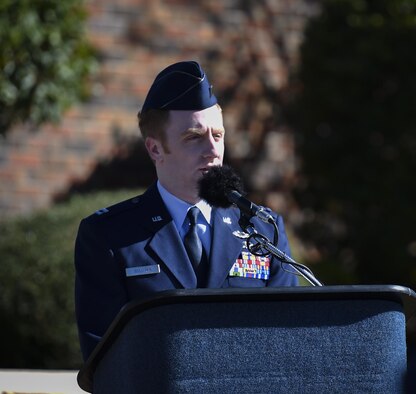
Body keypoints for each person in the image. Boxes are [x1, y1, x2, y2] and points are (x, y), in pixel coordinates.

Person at [74, 60, 298, 361]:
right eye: (194, 137)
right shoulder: (110, 236)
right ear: (155, 149)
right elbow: (104, 358)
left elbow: (290, 341)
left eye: (217, 136)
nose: (212, 150)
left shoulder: (261, 229)